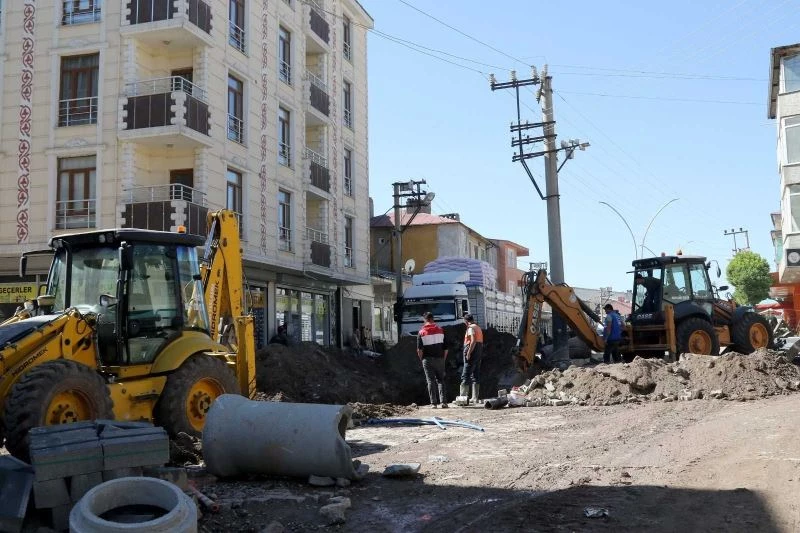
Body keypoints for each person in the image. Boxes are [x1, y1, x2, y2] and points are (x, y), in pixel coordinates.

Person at [416, 312, 449, 408]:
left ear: (425, 319)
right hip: (440, 358)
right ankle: (444, 402)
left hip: (427, 359)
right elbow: (446, 348)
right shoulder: (440, 330)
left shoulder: (421, 332)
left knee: (430, 381)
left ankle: (433, 403)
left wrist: (421, 359)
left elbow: (419, 350)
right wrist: (443, 359)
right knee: (441, 380)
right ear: (433, 319)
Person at [461, 313, 484, 405]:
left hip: (472, 351)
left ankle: (462, 398)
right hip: (478, 352)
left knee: (465, 374)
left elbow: (473, 340)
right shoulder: (478, 327)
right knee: (475, 375)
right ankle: (475, 398)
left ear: (466, 321)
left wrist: (469, 352)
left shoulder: (471, 328)